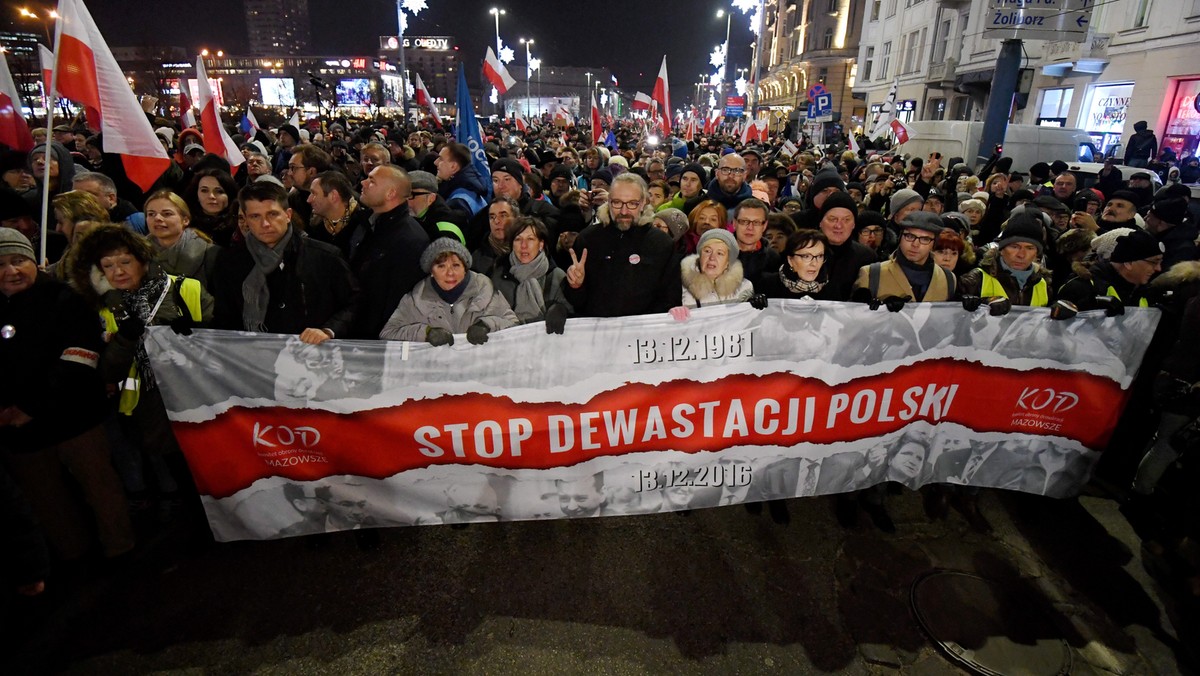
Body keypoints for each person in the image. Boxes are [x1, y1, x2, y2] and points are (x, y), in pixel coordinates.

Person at [0, 228, 135, 562]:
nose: (11, 271)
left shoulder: (63, 298)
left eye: (18, 261)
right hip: (20, 433)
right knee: (46, 500)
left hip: (75, 418)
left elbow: (79, 357)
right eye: (1, 264)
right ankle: (74, 557)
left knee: (100, 487)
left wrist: (31, 406)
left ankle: (122, 552)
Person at [211, 182, 355, 343]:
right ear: (245, 219)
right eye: (255, 216)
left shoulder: (325, 256)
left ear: (288, 215)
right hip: (254, 357)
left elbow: (354, 303)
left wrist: (329, 330)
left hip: (312, 356)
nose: (265, 224)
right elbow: (224, 318)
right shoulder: (229, 261)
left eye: (272, 214)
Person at [562, 173, 682, 317]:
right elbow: (576, 302)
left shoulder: (661, 243)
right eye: (617, 203)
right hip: (598, 333)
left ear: (643, 202)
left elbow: (670, 298)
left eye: (632, 203)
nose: (624, 211)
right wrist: (576, 286)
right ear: (609, 201)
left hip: (643, 335)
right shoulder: (588, 239)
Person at [379, 238, 519, 344]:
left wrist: (487, 325)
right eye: (441, 266)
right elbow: (388, 333)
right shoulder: (415, 299)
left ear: (465, 268)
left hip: (479, 375)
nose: (450, 273)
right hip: (437, 377)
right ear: (431, 271)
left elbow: (515, 327)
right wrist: (426, 333)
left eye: (456, 265)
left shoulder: (486, 292)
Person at [350, 165, 431, 339]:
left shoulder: (410, 240)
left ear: (390, 193)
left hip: (376, 343)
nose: (363, 183)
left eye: (371, 181)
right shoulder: (367, 224)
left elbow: (396, 303)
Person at [489, 216, 572, 333]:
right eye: (518, 239)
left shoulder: (556, 276)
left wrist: (561, 310)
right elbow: (491, 315)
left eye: (530, 239)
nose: (523, 245)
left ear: (541, 244)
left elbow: (574, 318)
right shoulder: (499, 276)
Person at [854, 211, 958, 305]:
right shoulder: (872, 274)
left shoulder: (948, 279)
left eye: (925, 239)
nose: (915, 244)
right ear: (900, 237)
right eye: (909, 236)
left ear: (934, 244)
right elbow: (852, 319)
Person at [960, 211, 1053, 307]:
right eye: (1015, 247)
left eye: (1029, 248)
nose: (1021, 255)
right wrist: (983, 304)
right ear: (1001, 250)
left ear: (1036, 254)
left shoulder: (1043, 284)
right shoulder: (975, 280)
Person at [1058, 228, 1163, 312]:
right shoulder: (1082, 287)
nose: (1158, 268)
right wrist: (1086, 306)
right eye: (1153, 262)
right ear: (1129, 262)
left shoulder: (1145, 291)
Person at [672, 228, 757, 316]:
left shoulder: (744, 288)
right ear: (700, 255)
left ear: (728, 261)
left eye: (719, 253)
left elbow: (748, 322)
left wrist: (754, 307)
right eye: (707, 251)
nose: (712, 257)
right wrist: (672, 312)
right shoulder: (680, 286)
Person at [143, 190, 219, 287]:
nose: (157, 218)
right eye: (151, 214)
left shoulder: (210, 254)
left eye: (167, 214)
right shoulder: (138, 254)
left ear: (185, 220)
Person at [817, 191, 876, 301]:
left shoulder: (867, 257)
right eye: (832, 219)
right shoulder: (802, 253)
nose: (839, 225)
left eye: (846, 220)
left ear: (854, 224)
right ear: (821, 222)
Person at [306, 170, 370, 259]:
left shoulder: (365, 227)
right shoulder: (315, 229)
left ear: (333, 196)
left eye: (314, 193)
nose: (308, 200)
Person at [758, 229, 831, 300]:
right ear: (790, 260)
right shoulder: (767, 285)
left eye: (819, 256)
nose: (814, 263)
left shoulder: (832, 288)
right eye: (806, 256)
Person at [406, 170, 468, 245]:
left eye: (411, 195)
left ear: (431, 198)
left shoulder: (444, 234)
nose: (405, 201)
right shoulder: (421, 217)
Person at [182, 168, 240, 247]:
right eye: (204, 190)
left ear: (230, 195)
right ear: (196, 195)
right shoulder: (184, 224)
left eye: (219, 191)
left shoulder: (240, 225)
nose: (211, 196)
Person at [435, 142, 489, 217]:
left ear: (453, 166)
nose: (435, 162)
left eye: (441, 159)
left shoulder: (458, 202)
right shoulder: (469, 188)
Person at [284, 144, 331, 225]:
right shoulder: (292, 199)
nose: (289, 173)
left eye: (293, 168)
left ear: (311, 171)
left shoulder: (331, 199)